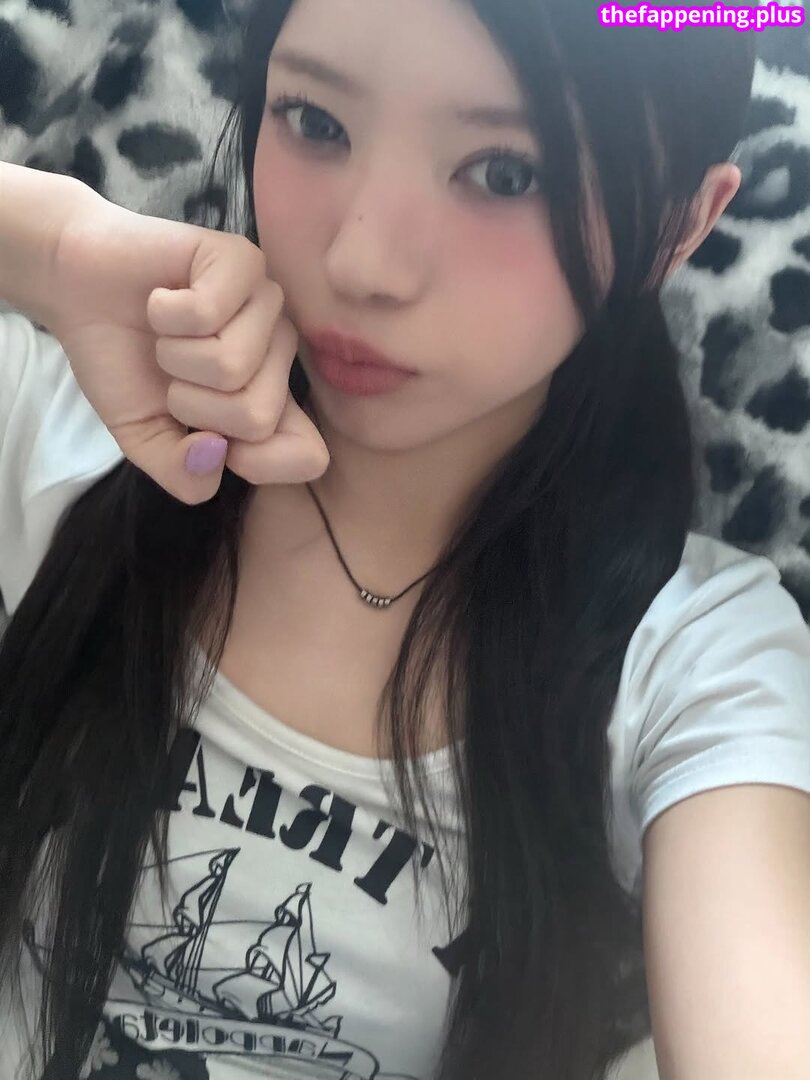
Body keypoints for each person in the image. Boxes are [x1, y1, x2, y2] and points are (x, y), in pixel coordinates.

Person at [0, 1, 808, 1078]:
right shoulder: (82, 435)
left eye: (507, 173)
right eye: (314, 121)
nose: (362, 262)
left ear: (679, 224)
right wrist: (56, 247)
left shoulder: (695, 660)